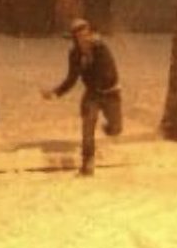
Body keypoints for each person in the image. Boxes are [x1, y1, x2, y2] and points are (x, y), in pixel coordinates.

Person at [41, 17, 123, 176]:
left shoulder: (101, 49)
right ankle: (87, 162)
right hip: (92, 94)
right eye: (79, 37)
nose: (84, 39)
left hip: (110, 92)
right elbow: (71, 78)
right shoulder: (75, 55)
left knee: (116, 129)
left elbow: (108, 74)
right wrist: (55, 92)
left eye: (86, 35)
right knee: (87, 128)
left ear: (90, 34)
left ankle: (109, 128)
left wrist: (89, 65)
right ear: (75, 39)